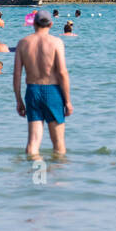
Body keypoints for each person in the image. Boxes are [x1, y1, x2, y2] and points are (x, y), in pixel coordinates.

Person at [14, 10, 72, 156]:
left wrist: (19, 100)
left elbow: (17, 74)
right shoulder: (56, 42)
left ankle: (35, 175)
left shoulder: (23, 43)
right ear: (51, 24)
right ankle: (58, 177)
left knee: (33, 142)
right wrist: (68, 101)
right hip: (52, 91)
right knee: (58, 143)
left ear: (33, 23)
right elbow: (62, 73)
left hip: (32, 91)